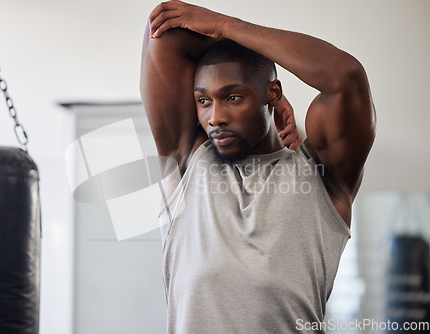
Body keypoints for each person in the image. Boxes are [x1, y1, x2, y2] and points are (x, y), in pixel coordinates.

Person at [140, 1, 376, 333]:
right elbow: (164, 32)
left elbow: (344, 76)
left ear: (272, 93)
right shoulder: (186, 162)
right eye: (203, 101)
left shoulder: (322, 176)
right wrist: (255, 80)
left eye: (233, 97)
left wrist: (227, 26)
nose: (215, 117)